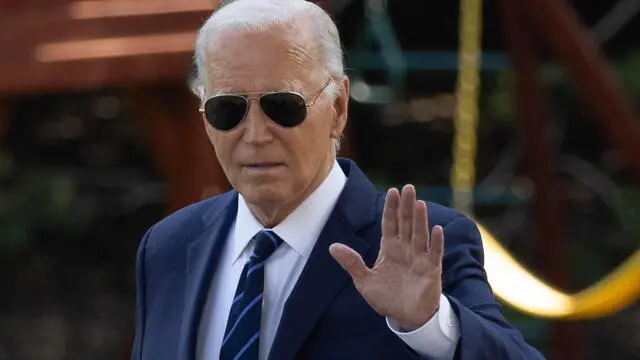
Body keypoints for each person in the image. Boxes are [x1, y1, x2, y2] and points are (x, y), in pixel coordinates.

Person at [131, 0, 544, 359]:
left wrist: (430, 325)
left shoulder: (422, 244)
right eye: (228, 110)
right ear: (205, 116)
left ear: (339, 107)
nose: (255, 134)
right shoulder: (168, 247)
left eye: (283, 106)